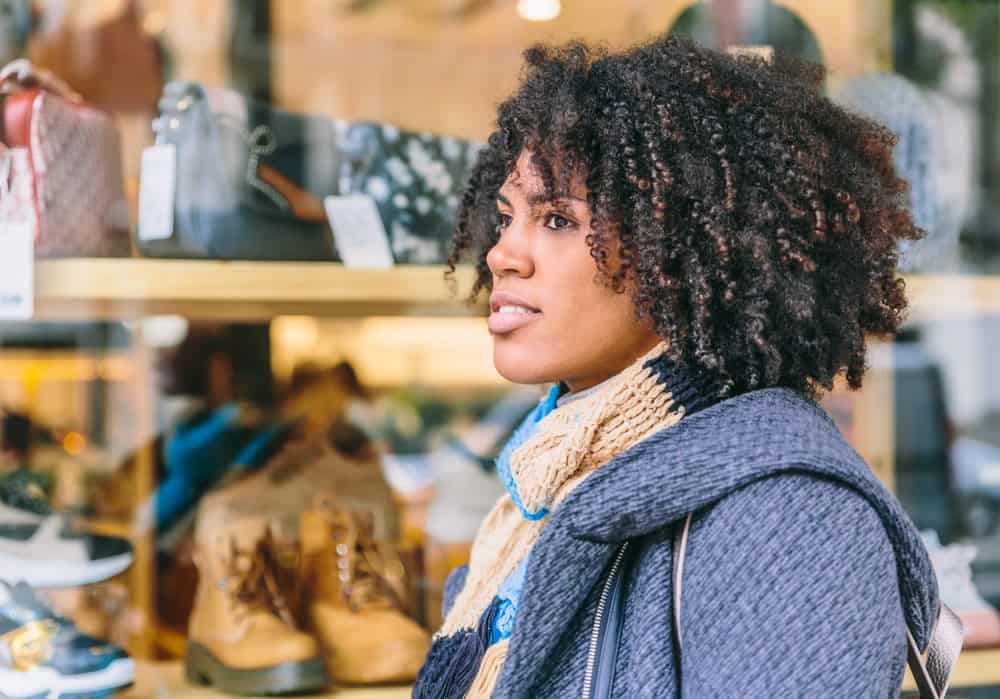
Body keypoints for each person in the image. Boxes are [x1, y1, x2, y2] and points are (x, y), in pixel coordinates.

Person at [413, 34, 942, 697]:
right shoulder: (547, 492)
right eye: (505, 215)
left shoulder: (785, 517)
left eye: (555, 219)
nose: (502, 254)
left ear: (681, 251)